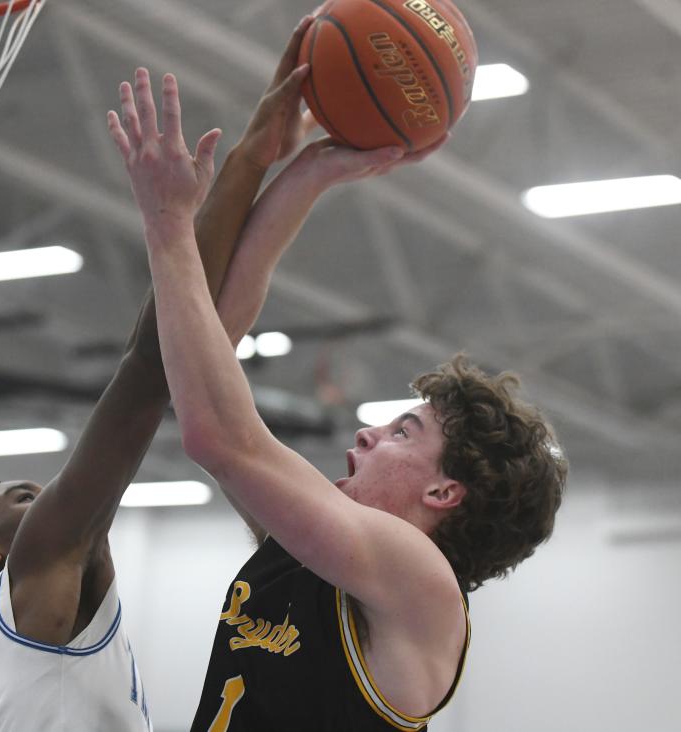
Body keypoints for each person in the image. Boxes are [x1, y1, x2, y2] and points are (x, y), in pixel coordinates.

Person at [0, 17, 389, 731]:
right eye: (25, 496)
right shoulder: (34, 576)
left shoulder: (36, 609)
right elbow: (151, 367)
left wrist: (268, 168)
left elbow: (177, 357)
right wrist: (245, 169)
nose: (56, 494)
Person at [109, 65, 567, 730]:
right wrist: (305, 174)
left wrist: (169, 224)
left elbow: (219, 435)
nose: (364, 436)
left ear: (445, 492)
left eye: (404, 432)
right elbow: (210, 356)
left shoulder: (420, 586)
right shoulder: (315, 551)